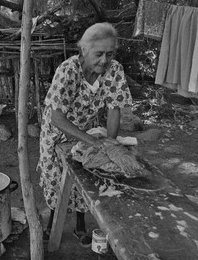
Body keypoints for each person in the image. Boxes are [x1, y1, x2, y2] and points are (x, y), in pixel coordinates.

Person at [37, 22, 133, 247]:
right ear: (84, 50)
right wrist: (90, 140)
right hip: (56, 135)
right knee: (55, 181)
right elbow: (56, 117)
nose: (104, 60)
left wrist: (109, 142)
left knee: (83, 179)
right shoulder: (68, 70)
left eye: (110, 54)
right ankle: (51, 224)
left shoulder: (114, 70)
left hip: (88, 130)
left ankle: (80, 225)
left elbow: (114, 108)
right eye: (99, 54)